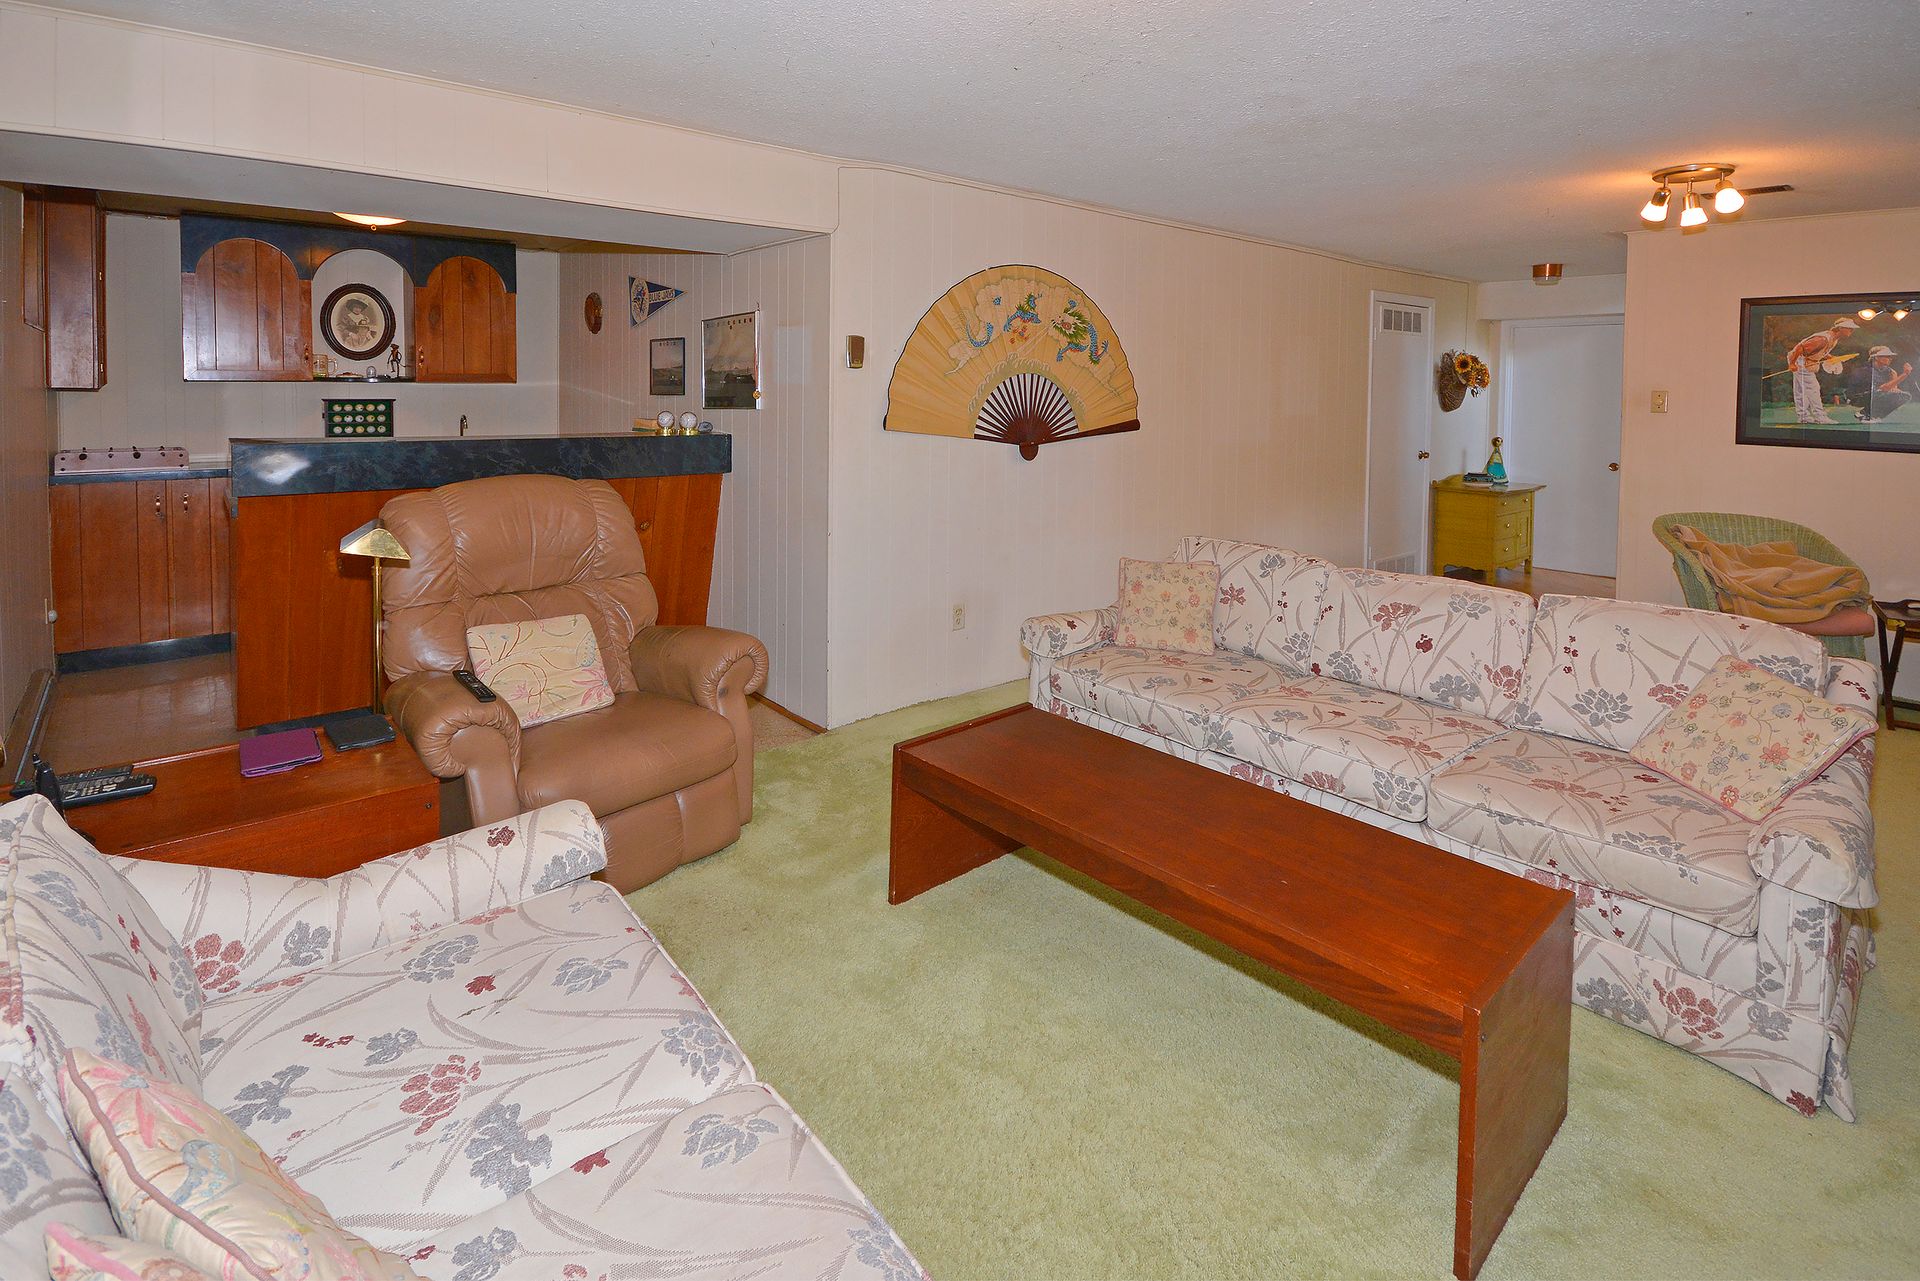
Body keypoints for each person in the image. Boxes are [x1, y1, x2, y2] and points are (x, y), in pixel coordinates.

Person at [1783, 317, 1858, 424]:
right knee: (1813, 389)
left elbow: (1819, 351)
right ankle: (1820, 417)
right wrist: (1792, 363)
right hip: (1801, 360)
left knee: (1801, 390)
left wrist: (1829, 357)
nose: (1852, 330)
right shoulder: (1823, 339)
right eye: (1849, 328)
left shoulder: (1833, 338)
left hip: (1803, 360)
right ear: (1840, 328)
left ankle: (1803, 416)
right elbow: (1800, 348)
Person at [1851, 345, 1915, 423]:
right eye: (1887, 356)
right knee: (1881, 392)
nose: (1890, 359)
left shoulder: (1891, 372)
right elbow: (1883, 388)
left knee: (1904, 396)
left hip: (1876, 394)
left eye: (1890, 356)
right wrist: (1904, 374)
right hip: (1858, 397)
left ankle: (1872, 415)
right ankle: (1865, 413)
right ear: (1876, 357)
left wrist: (1896, 393)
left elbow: (1893, 389)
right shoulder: (1866, 371)